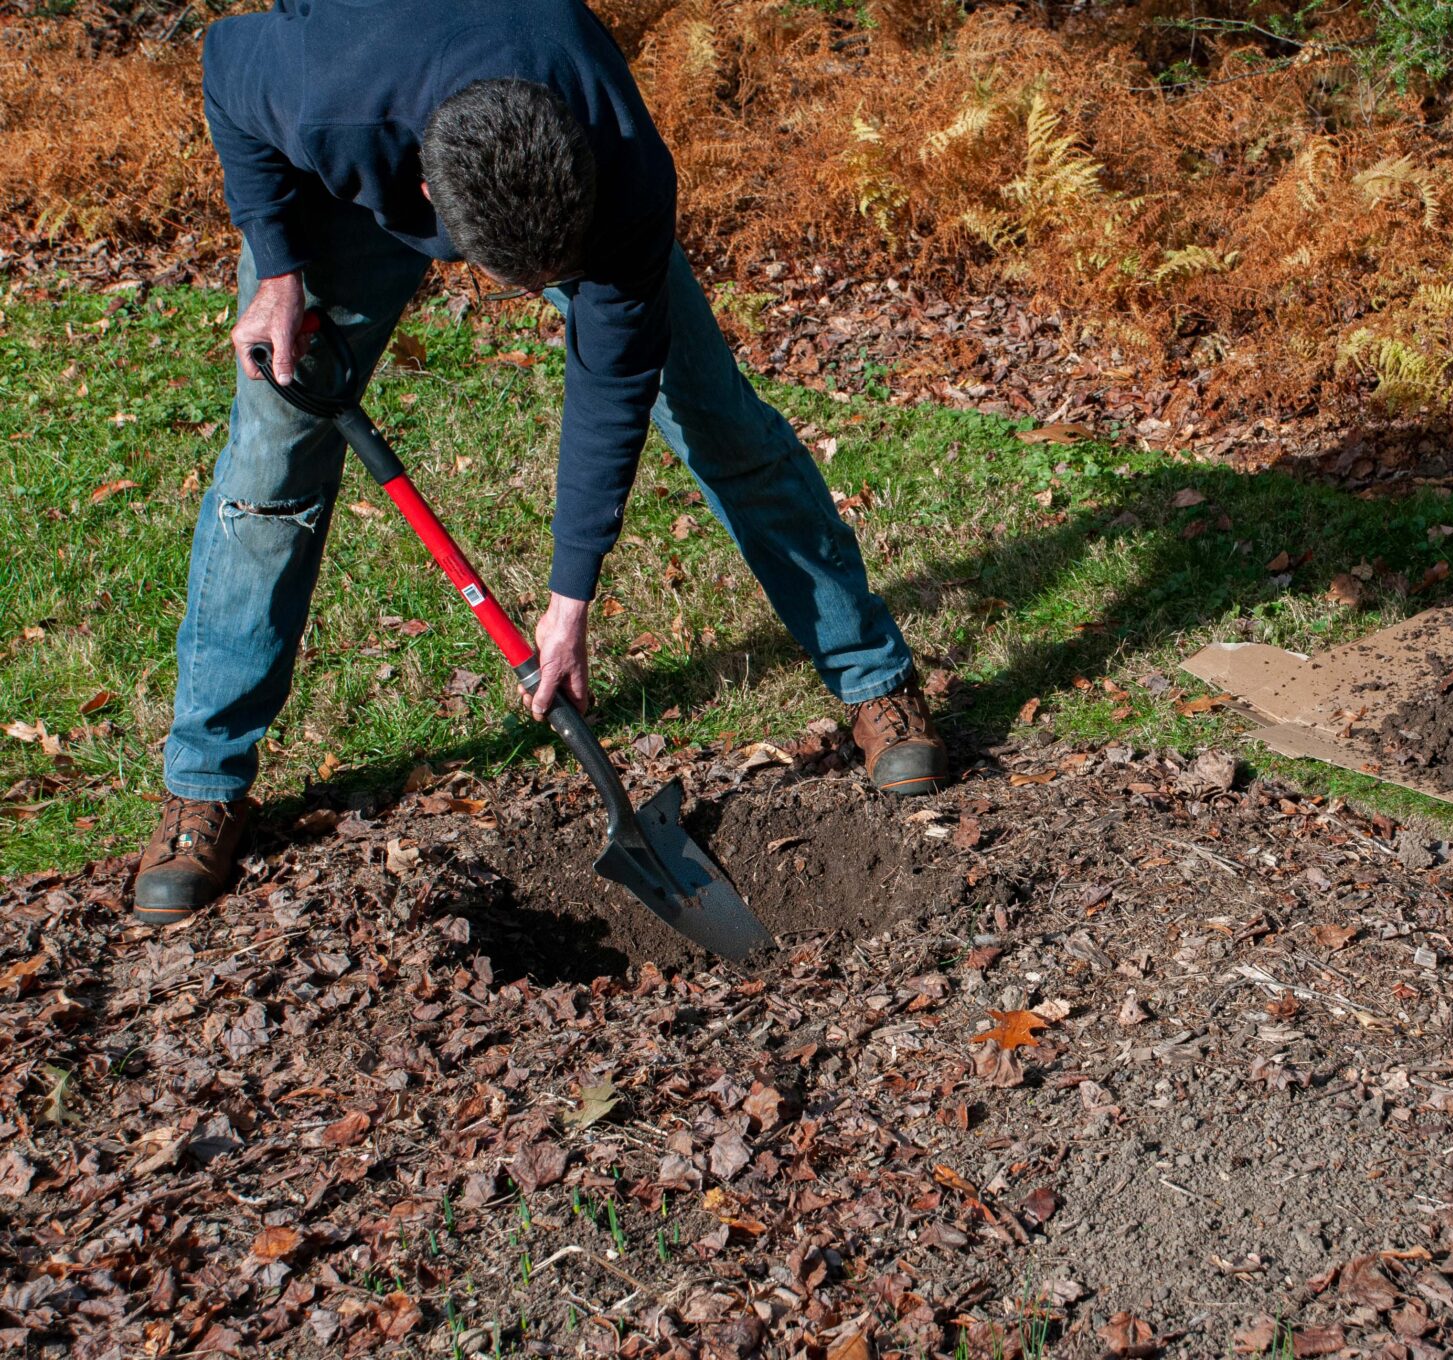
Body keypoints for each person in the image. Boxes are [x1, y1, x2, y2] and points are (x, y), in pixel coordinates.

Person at [133, 0, 948, 925]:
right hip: (336, 185)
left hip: (538, 161)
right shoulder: (333, 100)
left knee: (719, 425)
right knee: (273, 468)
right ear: (432, 197)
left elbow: (613, 382)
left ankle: (875, 681)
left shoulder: (622, 164)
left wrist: (570, 603)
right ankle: (204, 783)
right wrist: (277, 268)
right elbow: (225, 63)